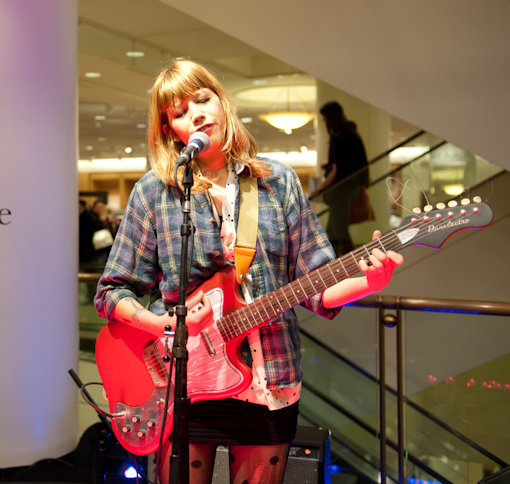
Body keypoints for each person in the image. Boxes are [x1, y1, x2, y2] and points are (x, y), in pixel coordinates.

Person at [94, 59, 403, 484]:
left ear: (222, 103)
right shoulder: (155, 192)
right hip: (183, 385)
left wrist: (369, 281)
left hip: (267, 382)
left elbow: (319, 284)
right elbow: (112, 290)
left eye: (203, 99)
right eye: (181, 112)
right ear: (171, 131)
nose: (197, 114)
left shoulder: (278, 181)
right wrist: (164, 323)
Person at [310, 101, 369, 257]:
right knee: (333, 229)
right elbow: (345, 164)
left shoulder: (342, 137)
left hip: (342, 188)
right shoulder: (349, 135)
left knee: (339, 230)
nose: (323, 122)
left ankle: (348, 262)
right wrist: (330, 164)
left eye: (324, 118)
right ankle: (338, 261)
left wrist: (321, 187)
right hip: (348, 187)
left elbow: (338, 170)